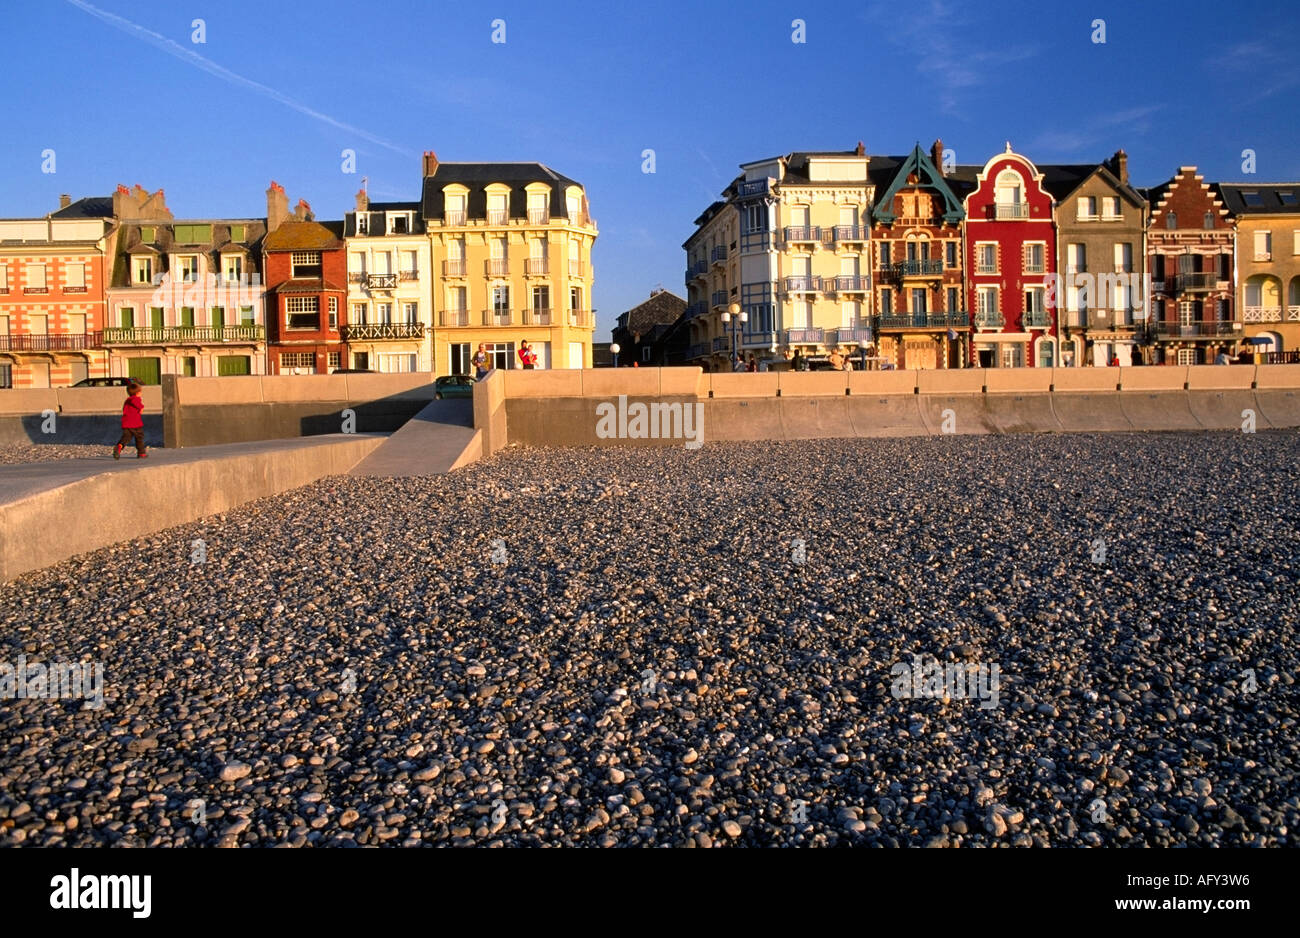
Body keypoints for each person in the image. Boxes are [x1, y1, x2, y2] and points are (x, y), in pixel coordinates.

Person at [114, 380, 147, 460]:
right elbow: (139, 405)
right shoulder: (135, 399)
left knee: (126, 438)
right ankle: (141, 453)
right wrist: (141, 408)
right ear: (137, 393)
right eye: (140, 392)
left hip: (126, 423)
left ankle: (119, 446)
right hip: (135, 423)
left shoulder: (127, 400)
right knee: (139, 437)